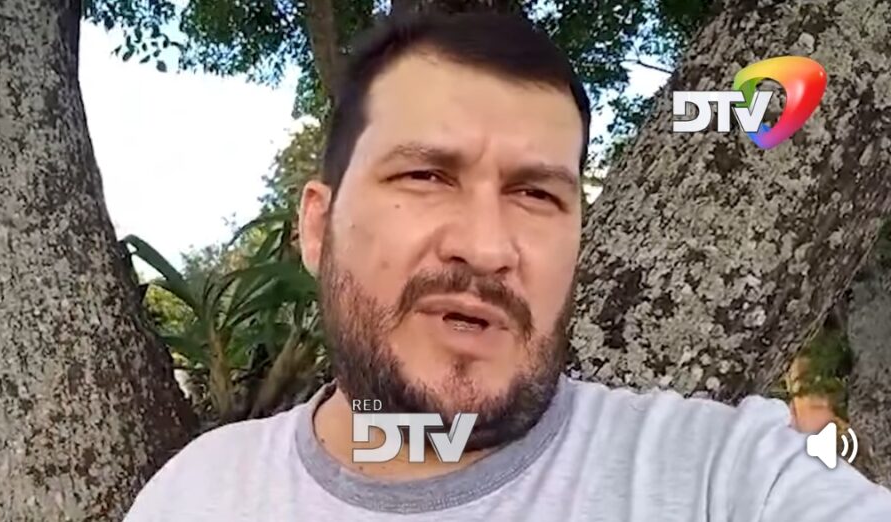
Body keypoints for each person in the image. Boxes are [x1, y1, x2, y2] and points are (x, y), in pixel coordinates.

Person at [124, 12, 891, 521]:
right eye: (426, 175)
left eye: (535, 194)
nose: (488, 247)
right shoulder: (196, 497)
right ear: (318, 228)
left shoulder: (728, 476)